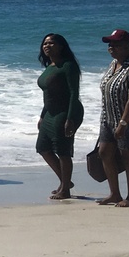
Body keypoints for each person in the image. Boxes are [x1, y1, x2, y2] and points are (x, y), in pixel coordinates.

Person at [97, 29, 129, 207]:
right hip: (108, 119)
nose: (111, 47)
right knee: (104, 152)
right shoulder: (113, 64)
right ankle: (114, 194)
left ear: (127, 46)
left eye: (116, 44)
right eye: (110, 44)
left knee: (127, 156)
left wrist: (123, 123)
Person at [36, 34, 84, 199]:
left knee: (63, 151)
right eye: (45, 43)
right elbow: (49, 95)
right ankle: (66, 182)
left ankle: (65, 190)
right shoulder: (50, 66)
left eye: (51, 43)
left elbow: (74, 93)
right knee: (43, 148)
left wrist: (70, 119)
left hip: (66, 112)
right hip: (50, 112)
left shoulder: (68, 66)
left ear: (61, 46)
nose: (47, 46)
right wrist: (42, 116)